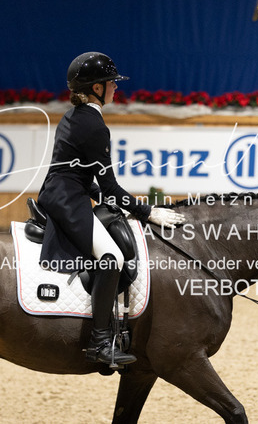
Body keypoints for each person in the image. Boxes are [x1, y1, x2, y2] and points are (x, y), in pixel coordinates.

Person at [37, 52, 185, 366]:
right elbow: (110, 187)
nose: (116, 88)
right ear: (97, 88)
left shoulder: (74, 115)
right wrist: (148, 212)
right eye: (111, 83)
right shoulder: (94, 124)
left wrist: (105, 199)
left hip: (63, 192)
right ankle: (100, 342)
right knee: (112, 257)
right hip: (68, 200)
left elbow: (77, 171)